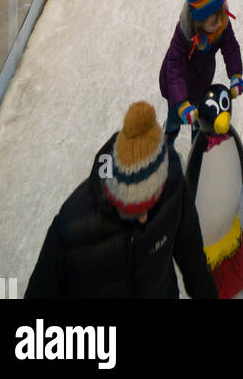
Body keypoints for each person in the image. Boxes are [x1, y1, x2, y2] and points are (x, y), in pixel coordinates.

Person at [24, 100, 218, 299]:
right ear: (111, 194)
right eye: (130, 211)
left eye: (149, 205)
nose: (143, 219)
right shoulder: (72, 225)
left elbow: (192, 258)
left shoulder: (172, 181)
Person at [159, 0, 243, 146]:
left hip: (202, 81)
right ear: (198, 23)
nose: (220, 23)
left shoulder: (221, 25)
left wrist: (236, 75)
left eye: (221, 16)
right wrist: (182, 103)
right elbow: (174, 69)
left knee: (199, 119)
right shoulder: (183, 36)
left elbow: (231, 47)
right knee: (175, 118)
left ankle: (197, 143)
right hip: (177, 86)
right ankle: (168, 138)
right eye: (214, 22)